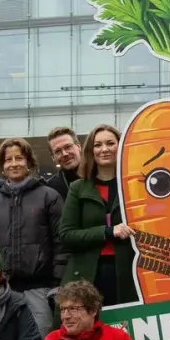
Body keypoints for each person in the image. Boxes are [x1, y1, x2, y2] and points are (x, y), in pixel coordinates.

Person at [0, 137, 66, 334]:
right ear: (2, 165)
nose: (14, 163)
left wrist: (56, 284)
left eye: (19, 158)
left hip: (40, 289)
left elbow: (62, 243)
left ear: (29, 162)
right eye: (9, 160)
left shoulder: (48, 196)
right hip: (3, 291)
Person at [58, 124, 137, 307]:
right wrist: (108, 232)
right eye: (98, 145)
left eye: (110, 143)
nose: (104, 149)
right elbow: (66, 234)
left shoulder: (135, 184)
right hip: (88, 274)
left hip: (128, 271)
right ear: (90, 151)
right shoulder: (78, 188)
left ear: (121, 145)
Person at [44, 126, 83, 200]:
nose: (64, 154)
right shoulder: (50, 188)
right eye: (58, 151)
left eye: (68, 147)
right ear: (53, 157)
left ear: (79, 146)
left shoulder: (99, 176)